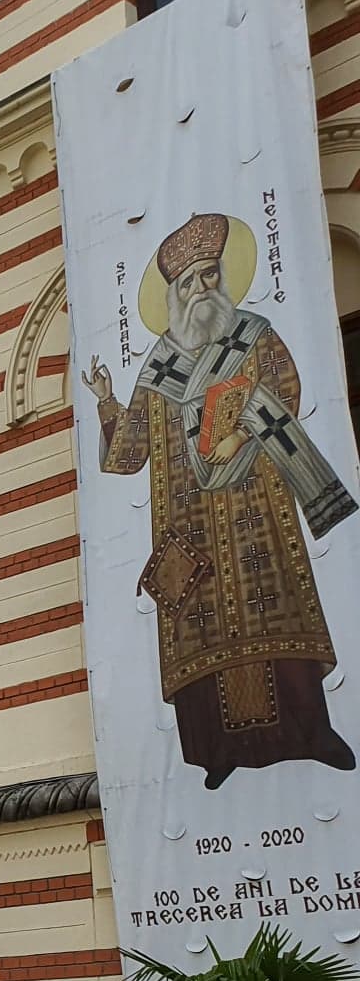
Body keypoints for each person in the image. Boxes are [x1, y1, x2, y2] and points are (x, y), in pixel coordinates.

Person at [85, 211, 359, 789]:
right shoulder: (158, 366)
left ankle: (312, 735)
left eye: (209, 275)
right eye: (189, 282)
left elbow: (287, 391)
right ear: (174, 296)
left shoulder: (254, 336)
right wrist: (109, 404)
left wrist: (244, 425)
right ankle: (216, 753)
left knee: (276, 611)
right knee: (200, 631)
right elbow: (129, 453)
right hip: (189, 527)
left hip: (258, 513)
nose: (202, 288)